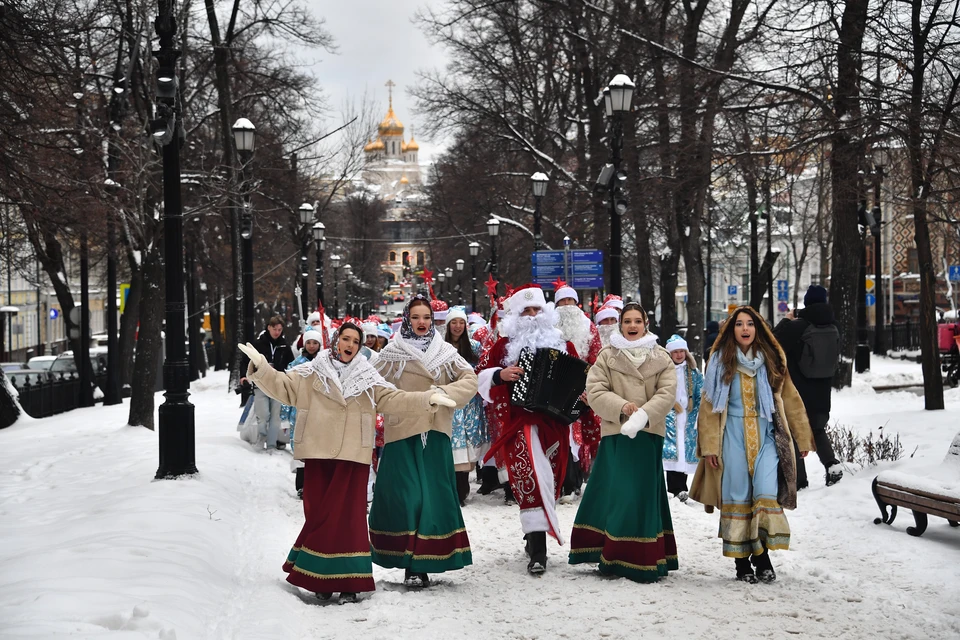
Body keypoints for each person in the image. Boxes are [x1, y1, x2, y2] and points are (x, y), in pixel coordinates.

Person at [238, 323, 455, 604]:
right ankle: (322, 578)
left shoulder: (369, 377)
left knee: (349, 520)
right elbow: (283, 387)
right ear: (335, 342)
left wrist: (428, 399)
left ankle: (350, 582)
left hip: (353, 454)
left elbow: (394, 398)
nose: (349, 344)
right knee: (319, 516)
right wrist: (262, 369)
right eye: (345, 339)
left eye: (355, 340)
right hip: (318, 452)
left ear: (359, 345)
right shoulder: (310, 372)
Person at [690, 306, 815, 584]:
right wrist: (710, 446)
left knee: (765, 493)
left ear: (758, 328)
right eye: (739, 324)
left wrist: (803, 437)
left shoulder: (771, 359)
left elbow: (791, 398)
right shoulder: (721, 361)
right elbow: (709, 406)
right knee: (739, 497)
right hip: (731, 434)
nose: (745, 329)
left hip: (766, 434)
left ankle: (762, 556)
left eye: (750, 324)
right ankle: (742, 563)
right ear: (730, 329)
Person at [371, 295, 478, 588]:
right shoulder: (391, 353)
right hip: (402, 432)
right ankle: (405, 558)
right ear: (407, 319)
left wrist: (442, 393)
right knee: (408, 497)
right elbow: (375, 390)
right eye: (416, 317)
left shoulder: (445, 352)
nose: (422, 322)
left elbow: (470, 380)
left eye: (427, 318)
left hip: (436, 432)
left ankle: (422, 564)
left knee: (432, 497)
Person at [568, 302, 679, 582]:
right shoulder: (607, 356)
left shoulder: (662, 357)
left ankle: (645, 556)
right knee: (618, 494)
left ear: (645, 324)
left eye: (637, 321)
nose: (632, 326)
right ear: (621, 325)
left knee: (643, 494)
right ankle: (614, 555)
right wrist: (622, 407)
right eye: (627, 321)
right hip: (617, 434)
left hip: (648, 433)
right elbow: (594, 390)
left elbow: (667, 393)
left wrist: (643, 415)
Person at [477, 284, 579, 575]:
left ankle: (533, 535)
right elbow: (480, 376)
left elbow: (579, 380)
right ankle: (538, 551)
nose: (533, 316)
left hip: (555, 424)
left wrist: (578, 399)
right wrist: (500, 375)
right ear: (516, 316)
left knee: (550, 483)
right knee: (530, 478)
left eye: (537, 310)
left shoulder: (563, 344)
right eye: (526, 311)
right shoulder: (503, 346)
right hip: (520, 423)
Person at [773, 285, 843, 488]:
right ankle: (831, 465)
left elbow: (773, 342)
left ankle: (800, 480)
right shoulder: (834, 326)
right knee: (818, 429)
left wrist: (787, 319)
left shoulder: (799, 326)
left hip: (799, 389)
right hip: (823, 390)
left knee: (795, 432)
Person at [554, 284, 602, 502]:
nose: (566, 306)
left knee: (575, 438)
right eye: (561, 302)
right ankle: (560, 481)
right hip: (553, 389)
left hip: (580, 389)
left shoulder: (589, 327)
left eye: (570, 302)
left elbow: (596, 359)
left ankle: (573, 482)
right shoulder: (550, 326)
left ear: (576, 304)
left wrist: (591, 386)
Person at [444, 306, 489, 506]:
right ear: (448, 325)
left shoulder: (475, 347)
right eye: (454, 322)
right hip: (448, 402)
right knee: (452, 444)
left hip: (470, 403)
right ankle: (452, 491)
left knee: (467, 446)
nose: (457, 326)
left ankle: (462, 490)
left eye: (461, 322)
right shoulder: (440, 346)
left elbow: (482, 370)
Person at [239, 316, 295, 451]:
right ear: (269, 327)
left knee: (275, 416)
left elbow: (290, 365)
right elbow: (245, 361)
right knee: (263, 413)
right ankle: (261, 436)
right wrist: (243, 376)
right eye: (275, 329)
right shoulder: (258, 344)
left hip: (278, 385)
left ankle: (271, 443)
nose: (277, 332)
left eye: (280, 329)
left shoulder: (284, 346)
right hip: (260, 384)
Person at [282, 328, 323, 499]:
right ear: (304, 344)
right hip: (298, 414)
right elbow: (287, 391)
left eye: (315, 343)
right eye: (309, 342)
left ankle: (316, 485)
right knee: (300, 449)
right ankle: (301, 486)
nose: (312, 346)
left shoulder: (325, 364)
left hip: (319, 413)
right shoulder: (295, 365)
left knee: (316, 450)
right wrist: (284, 417)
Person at [662, 334, 704, 502]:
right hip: (670, 417)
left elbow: (701, 392)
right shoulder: (664, 371)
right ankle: (674, 487)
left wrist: (697, 409)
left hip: (688, 418)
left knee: (684, 453)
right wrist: (670, 403)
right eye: (675, 352)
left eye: (681, 351)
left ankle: (682, 487)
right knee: (672, 451)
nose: (679, 355)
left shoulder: (693, 372)